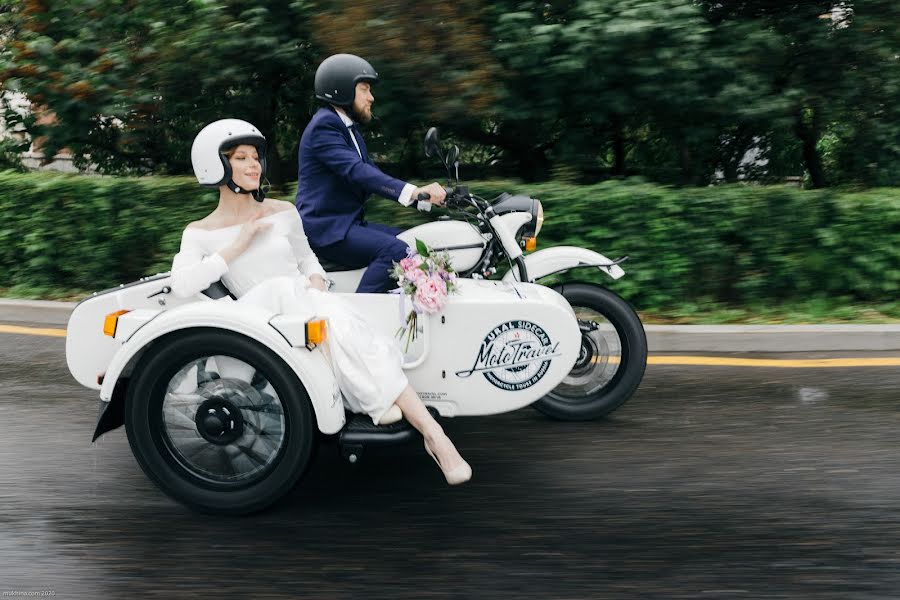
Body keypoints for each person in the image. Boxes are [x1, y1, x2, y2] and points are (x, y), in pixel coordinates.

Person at [169, 118, 472, 485]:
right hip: (262, 318)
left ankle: (434, 436)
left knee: (348, 324)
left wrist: (315, 281)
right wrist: (237, 246)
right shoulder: (200, 232)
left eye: (256, 157)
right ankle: (390, 410)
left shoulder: (282, 211)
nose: (254, 166)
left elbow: (306, 258)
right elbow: (182, 283)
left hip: (305, 301)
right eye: (241, 158)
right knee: (296, 298)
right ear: (216, 166)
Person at [295, 53, 447, 293]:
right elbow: (357, 171)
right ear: (342, 90)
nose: (371, 97)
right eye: (364, 89)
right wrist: (413, 192)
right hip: (327, 230)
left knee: (415, 240)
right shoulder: (324, 126)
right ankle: (360, 318)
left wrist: (421, 201)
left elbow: (369, 171)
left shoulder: (347, 128)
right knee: (397, 251)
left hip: (345, 224)